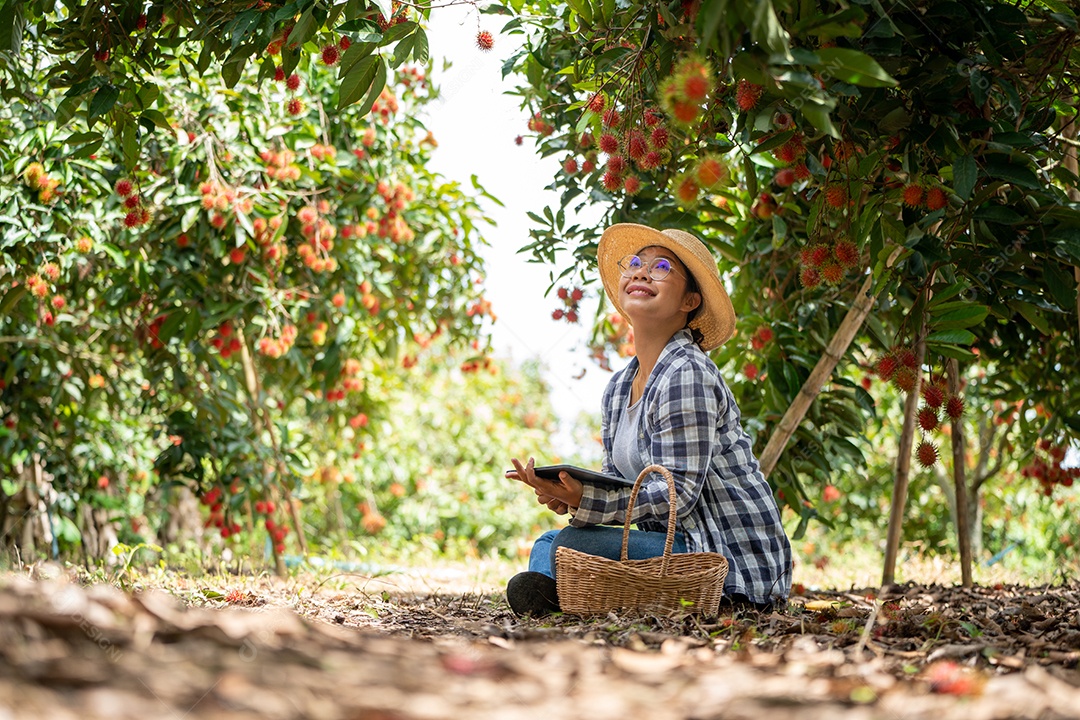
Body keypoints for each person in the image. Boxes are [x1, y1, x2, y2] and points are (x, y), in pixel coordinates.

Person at [505, 222, 792, 617]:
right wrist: (570, 494)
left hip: (722, 557)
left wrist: (587, 500)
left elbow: (678, 495)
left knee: (566, 545)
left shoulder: (687, 371)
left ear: (689, 300)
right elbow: (618, 484)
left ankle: (562, 594)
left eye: (661, 267)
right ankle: (559, 594)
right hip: (675, 546)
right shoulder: (619, 388)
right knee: (549, 542)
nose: (641, 272)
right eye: (635, 264)